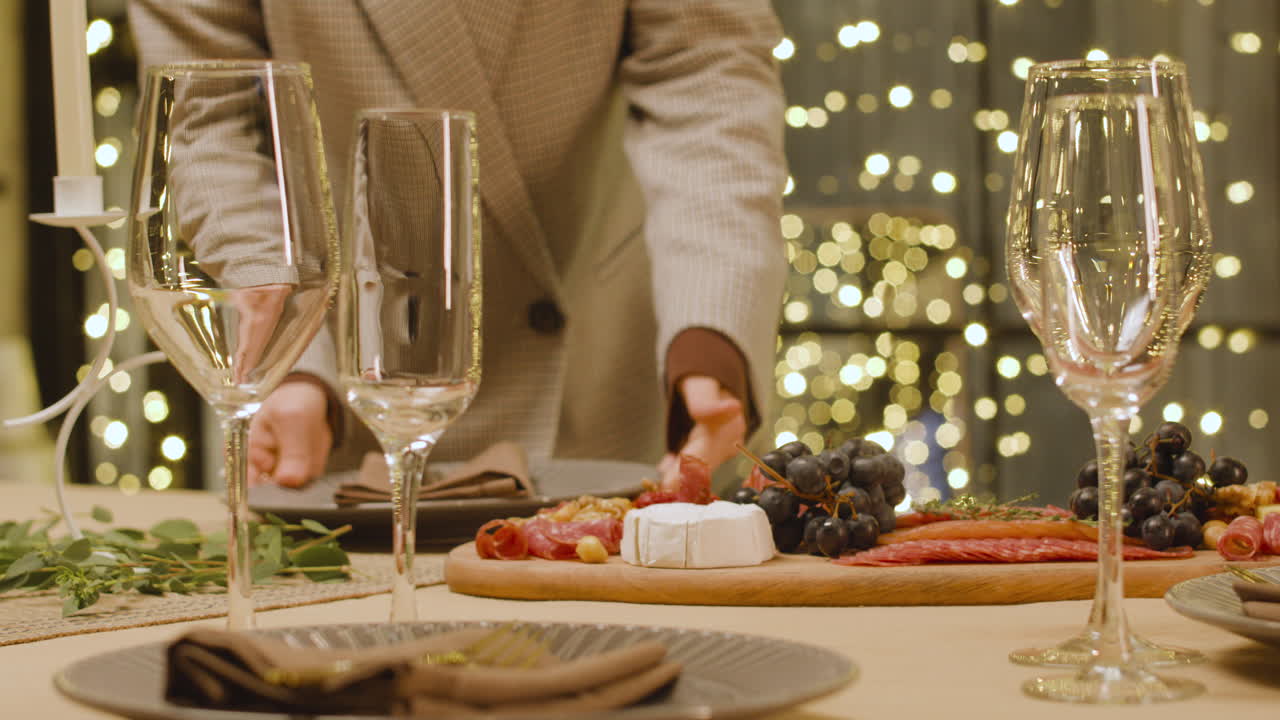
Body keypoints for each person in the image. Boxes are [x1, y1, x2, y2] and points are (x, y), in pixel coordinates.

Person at [129, 0, 788, 490]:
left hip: (612, 377)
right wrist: (287, 356)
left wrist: (711, 337)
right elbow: (209, 117)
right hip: (340, 402)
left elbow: (708, 77)